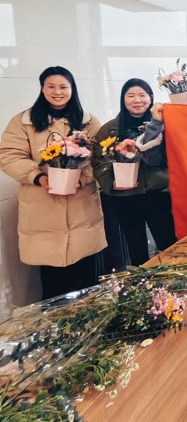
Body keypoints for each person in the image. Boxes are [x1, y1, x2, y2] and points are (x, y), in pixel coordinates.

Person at [0, 66, 105, 299]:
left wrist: (83, 178)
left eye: (63, 87)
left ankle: (89, 320)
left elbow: (100, 157)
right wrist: (38, 177)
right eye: (51, 87)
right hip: (43, 207)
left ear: (72, 89)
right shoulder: (23, 122)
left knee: (87, 281)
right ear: (42, 89)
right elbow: (9, 156)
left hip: (81, 208)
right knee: (53, 284)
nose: (57, 92)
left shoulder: (88, 122)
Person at [93, 79, 175, 266]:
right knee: (136, 249)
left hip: (158, 195)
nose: (137, 100)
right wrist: (110, 182)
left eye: (142, 95)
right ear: (123, 99)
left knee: (169, 245)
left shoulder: (163, 125)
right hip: (125, 197)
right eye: (130, 96)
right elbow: (98, 160)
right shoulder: (109, 129)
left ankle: (173, 281)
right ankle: (141, 281)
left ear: (151, 98)